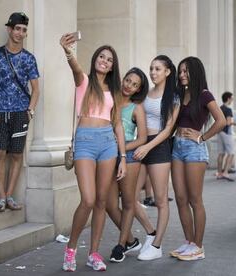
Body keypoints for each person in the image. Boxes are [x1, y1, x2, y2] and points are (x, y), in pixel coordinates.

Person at [60, 34, 127, 271]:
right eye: (102, 56)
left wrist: (123, 157)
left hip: (108, 143)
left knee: (101, 200)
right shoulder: (84, 82)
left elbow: (117, 123)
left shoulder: (115, 91)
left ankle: (94, 253)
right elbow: (74, 66)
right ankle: (71, 248)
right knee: (87, 199)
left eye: (109, 60)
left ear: (112, 66)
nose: (105, 61)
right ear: (95, 59)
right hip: (86, 142)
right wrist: (68, 51)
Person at [171, 57, 226, 261]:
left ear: (196, 72)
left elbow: (221, 121)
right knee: (180, 198)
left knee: (195, 199)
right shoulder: (180, 94)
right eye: (180, 71)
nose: (182, 75)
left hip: (194, 149)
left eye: (186, 71)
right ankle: (188, 243)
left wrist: (201, 136)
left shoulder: (204, 95)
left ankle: (199, 246)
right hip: (177, 147)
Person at [0, 12, 39, 212]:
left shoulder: (29, 59)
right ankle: (0, 197)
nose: (20, 32)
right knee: (0, 153)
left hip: (20, 114)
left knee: (16, 154)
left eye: (23, 30)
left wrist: (29, 112)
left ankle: (9, 196)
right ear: (9, 29)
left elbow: (36, 89)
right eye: (17, 28)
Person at [134, 55, 180, 261]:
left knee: (161, 200)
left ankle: (157, 245)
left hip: (159, 147)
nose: (153, 72)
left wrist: (148, 146)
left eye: (158, 69)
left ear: (168, 72)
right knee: (129, 198)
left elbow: (169, 128)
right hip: (140, 144)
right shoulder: (145, 92)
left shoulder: (174, 96)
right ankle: (150, 232)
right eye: (151, 68)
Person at [106, 67, 149, 262]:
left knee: (128, 202)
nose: (129, 86)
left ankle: (121, 245)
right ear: (122, 79)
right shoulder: (111, 100)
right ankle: (131, 240)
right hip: (107, 156)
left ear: (138, 89)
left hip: (129, 158)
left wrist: (122, 148)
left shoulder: (136, 107)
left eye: (134, 85)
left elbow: (142, 138)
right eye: (128, 80)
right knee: (109, 205)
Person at [216, 91, 236, 181]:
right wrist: (234, 123)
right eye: (231, 98)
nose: (232, 99)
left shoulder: (219, 108)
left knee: (221, 153)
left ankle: (219, 173)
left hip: (219, 132)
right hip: (226, 133)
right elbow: (228, 122)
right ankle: (225, 172)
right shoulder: (228, 109)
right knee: (231, 153)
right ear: (228, 98)